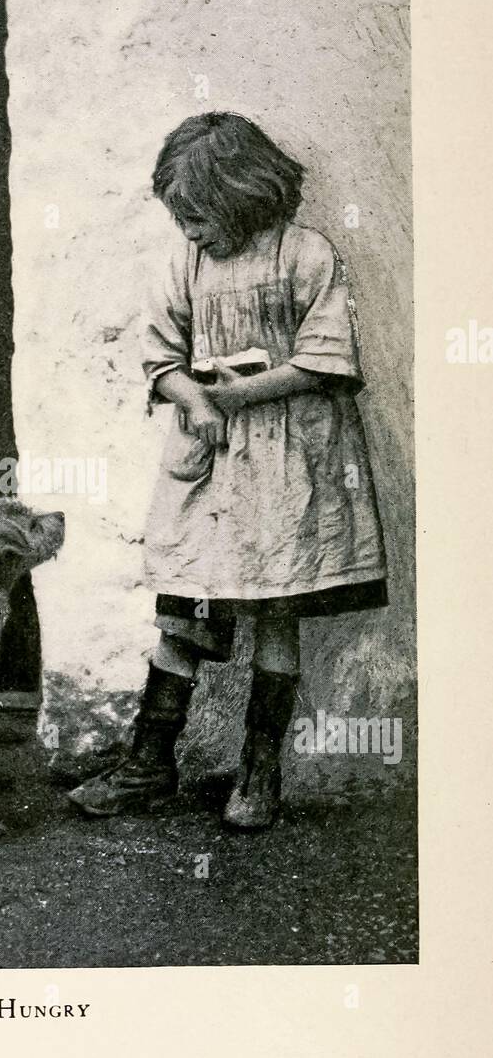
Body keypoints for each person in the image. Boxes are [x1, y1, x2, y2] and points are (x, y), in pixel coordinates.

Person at [69, 112, 388, 829]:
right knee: (185, 613)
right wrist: (191, 397)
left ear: (243, 195)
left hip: (287, 463)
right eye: (179, 218)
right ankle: (148, 766)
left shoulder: (306, 256)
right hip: (209, 468)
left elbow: (323, 358)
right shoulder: (183, 267)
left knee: (275, 614)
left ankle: (258, 770)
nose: (188, 230)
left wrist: (232, 395)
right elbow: (160, 358)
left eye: (197, 215)